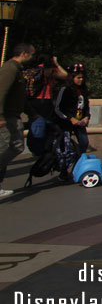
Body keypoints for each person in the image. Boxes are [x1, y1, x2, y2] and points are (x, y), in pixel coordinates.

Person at [0, 42, 34, 198]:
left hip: (13, 115)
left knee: (17, 146)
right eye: (31, 54)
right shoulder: (10, 69)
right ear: (24, 54)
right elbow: (1, 92)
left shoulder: (17, 70)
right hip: (6, 116)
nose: (32, 57)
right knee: (6, 147)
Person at [55, 64, 90, 156]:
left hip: (80, 121)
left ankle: (79, 161)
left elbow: (86, 106)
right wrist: (70, 118)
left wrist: (86, 117)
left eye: (82, 78)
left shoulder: (83, 90)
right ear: (72, 78)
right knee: (65, 145)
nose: (81, 80)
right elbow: (59, 108)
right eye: (78, 78)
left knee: (84, 143)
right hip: (67, 122)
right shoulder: (65, 90)